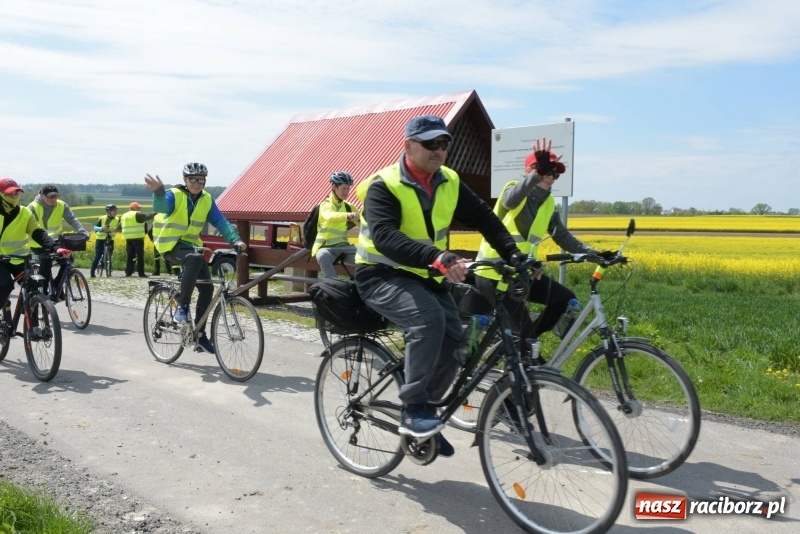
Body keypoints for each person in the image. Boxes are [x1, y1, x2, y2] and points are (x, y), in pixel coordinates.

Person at [354, 115, 522, 451]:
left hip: (426, 275)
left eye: (444, 143)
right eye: (430, 143)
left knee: (455, 339)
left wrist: (514, 254)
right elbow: (386, 237)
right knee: (428, 319)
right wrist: (438, 257)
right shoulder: (382, 185)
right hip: (380, 273)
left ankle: (426, 415)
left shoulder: (448, 181)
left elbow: (484, 218)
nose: (439, 150)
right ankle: (412, 408)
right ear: (408, 146)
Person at [475, 137, 612, 353]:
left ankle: (520, 347)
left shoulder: (548, 203)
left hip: (521, 274)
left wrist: (595, 254)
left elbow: (562, 237)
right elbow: (510, 200)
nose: (551, 177)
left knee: (565, 301)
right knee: (526, 339)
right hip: (494, 274)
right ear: (530, 170)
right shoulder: (512, 189)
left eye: (554, 173)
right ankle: (526, 352)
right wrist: (535, 175)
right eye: (545, 171)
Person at [144, 162, 246, 354]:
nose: (197, 183)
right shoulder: (175, 194)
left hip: (191, 246)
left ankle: (200, 336)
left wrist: (236, 240)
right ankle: (182, 307)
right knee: (195, 259)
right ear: (185, 180)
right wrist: (158, 193)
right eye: (193, 179)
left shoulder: (207, 199)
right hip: (170, 245)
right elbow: (162, 208)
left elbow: (221, 222)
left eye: (201, 180)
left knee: (207, 288)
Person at [0, 179, 72, 321]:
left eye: (16, 193)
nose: (14, 196)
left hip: (19, 258)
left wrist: (56, 248)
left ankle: (33, 326)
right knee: (5, 285)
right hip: (0, 259)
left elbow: (38, 233)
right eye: (10, 194)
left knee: (34, 285)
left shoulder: (24, 212)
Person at [27, 185, 89, 299]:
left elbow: (72, 219)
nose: (53, 199)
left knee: (68, 260)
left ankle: (57, 285)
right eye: (50, 197)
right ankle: (43, 297)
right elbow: (33, 229)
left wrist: (82, 232)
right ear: (42, 196)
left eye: (55, 196)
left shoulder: (61, 205)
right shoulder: (32, 207)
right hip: (38, 242)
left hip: (56, 241)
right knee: (46, 263)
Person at [312, 171, 360, 278]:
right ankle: (333, 284)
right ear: (334, 186)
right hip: (327, 248)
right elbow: (329, 216)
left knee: (368, 258)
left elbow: (362, 224)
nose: (346, 192)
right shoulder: (325, 205)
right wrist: (349, 215)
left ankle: (364, 287)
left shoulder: (349, 206)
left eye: (348, 188)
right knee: (323, 256)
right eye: (343, 188)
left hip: (345, 248)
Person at [120, 202, 157, 277]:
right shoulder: (137, 214)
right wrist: (157, 213)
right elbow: (147, 216)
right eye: (138, 207)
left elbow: (119, 226)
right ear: (134, 208)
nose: (140, 209)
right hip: (138, 238)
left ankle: (128, 272)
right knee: (140, 256)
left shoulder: (124, 215)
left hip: (128, 238)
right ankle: (141, 273)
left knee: (130, 255)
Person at [90, 204, 121, 278]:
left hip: (110, 239)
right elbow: (94, 228)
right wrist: (101, 228)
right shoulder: (102, 218)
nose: (115, 212)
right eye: (114, 211)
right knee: (98, 256)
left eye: (116, 211)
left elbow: (121, 228)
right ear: (109, 211)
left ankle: (109, 271)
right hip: (100, 239)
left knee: (109, 255)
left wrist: (118, 229)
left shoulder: (117, 219)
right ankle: (92, 272)